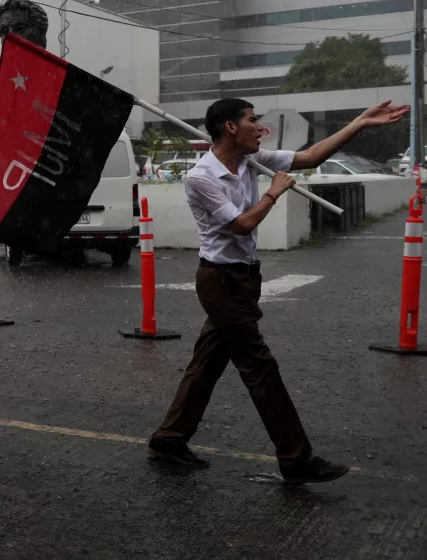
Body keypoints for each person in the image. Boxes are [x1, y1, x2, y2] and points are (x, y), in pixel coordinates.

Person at [147, 98, 407, 484]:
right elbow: (240, 225)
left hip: (244, 277)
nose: (260, 127)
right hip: (221, 281)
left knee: (208, 361)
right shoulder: (202, 177)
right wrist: (274, 192)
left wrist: (359, 123)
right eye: (253, 120)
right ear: (230, 127)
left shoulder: (252, 159)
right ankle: (295, 458)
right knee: (259, 366)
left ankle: (169, 439)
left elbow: (310, 158)